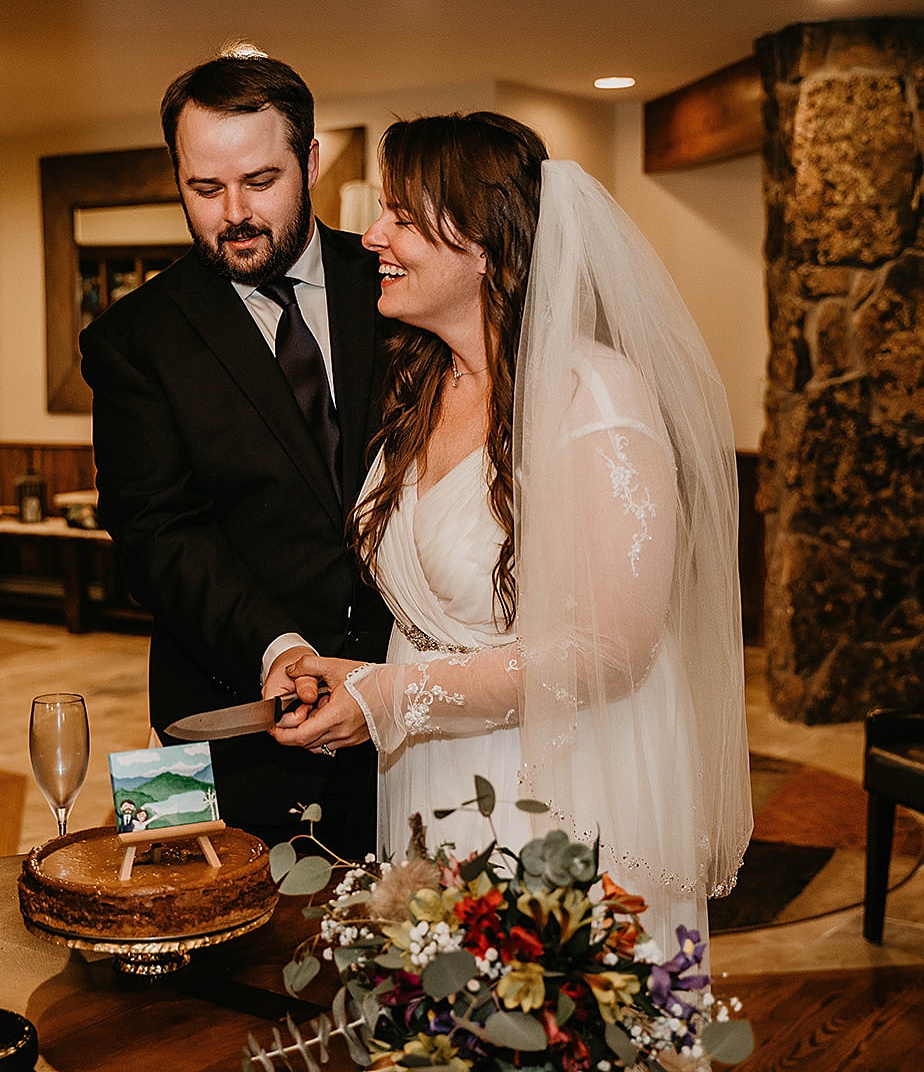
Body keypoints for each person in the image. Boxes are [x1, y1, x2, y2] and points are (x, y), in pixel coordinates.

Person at [272, 113, 751, 953]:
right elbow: (443, 624)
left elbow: (613, 650)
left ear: (485, 245)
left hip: (554, 784)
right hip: (426, 771)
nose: (372, 235)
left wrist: (393, 697)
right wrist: (359, 677)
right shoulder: (419, 386)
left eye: (402, 217)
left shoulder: (593, 400)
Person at [80, 51, 392, 858]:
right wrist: (278, 648)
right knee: (181, 956)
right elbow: (156, 533)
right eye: (205, 189)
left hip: (407, 713)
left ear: (312, 160)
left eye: (261, 181)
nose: (235, 215)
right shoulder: (129, 339)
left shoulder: (398, 285)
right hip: (218, 715)